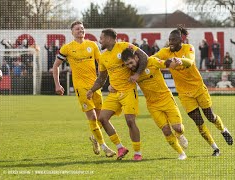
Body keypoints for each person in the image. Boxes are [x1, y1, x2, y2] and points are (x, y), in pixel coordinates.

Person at [152, 26, 234, 156]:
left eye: (173, 40)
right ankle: (215, 148)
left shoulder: (188, 48)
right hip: (184, 94)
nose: (171, 42)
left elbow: (190, 61)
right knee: (198, 122)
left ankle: (223, 130)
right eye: (169, 40)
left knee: (210, 117)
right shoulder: (165, 51)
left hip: (198, 88)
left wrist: (180, 61)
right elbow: (152, 59)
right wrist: (155, 61)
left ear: (180, 40)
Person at [111, 48, 189, 160]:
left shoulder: (151, 61)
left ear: (136, 57)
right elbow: (120, 80)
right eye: (127, 64)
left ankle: (179, 134)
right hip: (152, 105)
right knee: (166, 130)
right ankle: (181, 153)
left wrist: (174, 62)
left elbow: (165, 63)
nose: (130, 66)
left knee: (178, 128)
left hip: (167, 99)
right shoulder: (130, 72)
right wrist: (111, 86)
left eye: (131, 62)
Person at [52, 21, 116, 158]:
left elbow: (102, 63)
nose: (80, 30)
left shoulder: (92, 45)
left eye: (82, 28)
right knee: (92, 117)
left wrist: (111, 81)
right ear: (72, 32)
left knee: (100, 118)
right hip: (80, 87)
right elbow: (56, 66)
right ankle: (105, 147)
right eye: (77, 29)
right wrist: (57, 84)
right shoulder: (67, 48)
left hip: (95, 86)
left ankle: (95, 138)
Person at [86, 28, 148, 161]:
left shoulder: (124, 46)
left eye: (101, 38)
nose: (100, 40)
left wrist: (137, 74)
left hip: (128, 91)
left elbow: (144, 57)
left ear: (109, 38)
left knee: (130, 121)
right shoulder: (103, 57)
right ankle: (120, 148)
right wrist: (92, 90)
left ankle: (137, 153)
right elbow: (101, 78)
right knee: (102, 118)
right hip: (114, 93)